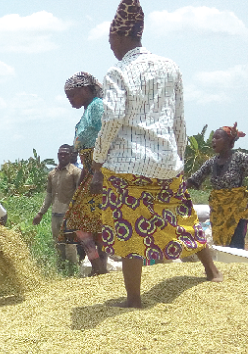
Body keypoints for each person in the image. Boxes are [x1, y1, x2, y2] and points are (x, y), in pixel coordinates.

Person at [90, 0, 222, 308]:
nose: (111, 48)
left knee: (129, 226)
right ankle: (213, 271)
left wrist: (97, 162)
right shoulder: (170, 67)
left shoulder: (117, 72)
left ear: (123, 38)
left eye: (111, 42)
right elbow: (179, 121)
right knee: (183, 215)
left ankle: (134, 298)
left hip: (127, 165)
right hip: (166, 162)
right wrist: (176, 160)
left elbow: (111, 121)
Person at [59, 72, 108, 276]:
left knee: (84, 222)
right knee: (86, 223)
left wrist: (98, 173)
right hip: (89, 172)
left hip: (101, 172)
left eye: (72, 95)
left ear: (85, 89)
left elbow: (106, 138)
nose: (70, 100)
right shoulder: (88, 110)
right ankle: (99, 267)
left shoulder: (97, 106)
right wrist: (81, 182)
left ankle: (99, 268)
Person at [187, 123, 248, 248]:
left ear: (229, 141)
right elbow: (194, 180)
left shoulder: (239, 157)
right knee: (220, 245)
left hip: (237, 210)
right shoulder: (211, 162)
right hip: (218, 212)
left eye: (217, 138)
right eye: (213, 138)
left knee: (236, 245)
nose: (213, 140)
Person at [33, 144, 81, 264]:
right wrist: (40, 213)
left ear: (70, 155)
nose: (62, 156)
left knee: (70, 244)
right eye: (60, 154)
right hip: (55, 214)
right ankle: (62, 269)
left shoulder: (75, 172)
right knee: (58, 243)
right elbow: (49, 195)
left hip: (69, 214)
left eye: (65, 153)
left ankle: (72, 270)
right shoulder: (52, 174)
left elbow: (79, 194)